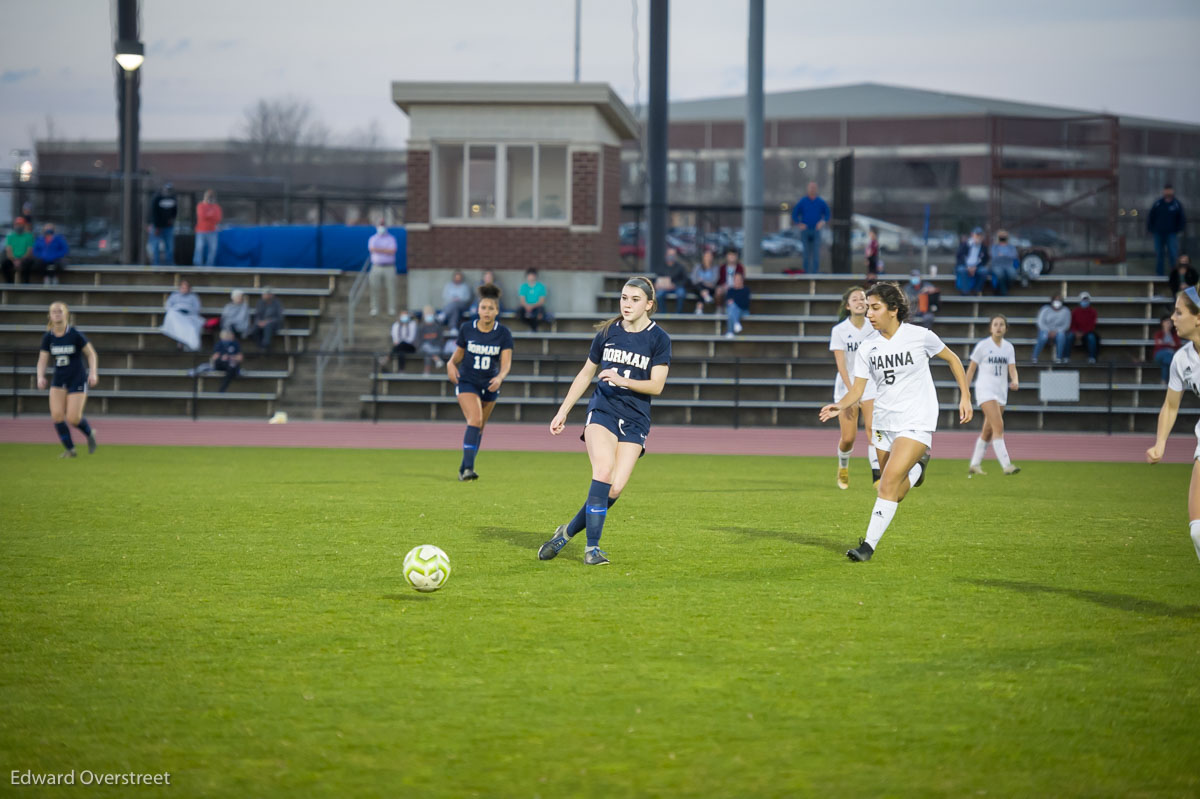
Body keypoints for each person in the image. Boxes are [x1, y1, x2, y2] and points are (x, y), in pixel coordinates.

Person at [819, 282, 973, 562]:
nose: (870, 315)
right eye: (868, 310)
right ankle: (917, 470)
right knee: (894, 491)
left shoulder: (920, 336)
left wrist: (965, 396)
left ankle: (867, 547)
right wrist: (838, 405)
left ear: (893, 309)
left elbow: (952, 360)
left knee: (887, 482)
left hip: (915, 420)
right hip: (883, 423)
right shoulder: (868, 347)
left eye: (875, 308)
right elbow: (858, 390)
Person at [538, 276, 671, 566]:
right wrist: (563, 410)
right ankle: (592, 548)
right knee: (604, 470)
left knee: (615, 488)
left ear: (649, 304)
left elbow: (657, 386)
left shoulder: (659, 338)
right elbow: (586, 373)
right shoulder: (609, 331)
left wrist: (622, 378)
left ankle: (567, 532)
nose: (627, 304)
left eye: (635, 299)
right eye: (624, 298)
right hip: (603, 410)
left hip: (636, 418)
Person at [1146, 285, 1200, 562]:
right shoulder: (1182, 359)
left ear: (1198, 317)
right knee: (1197, 532)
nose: (1173, 318)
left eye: (1179, 312)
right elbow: (1170, 405)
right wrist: (1160, 443)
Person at [446, 284, 514, 482]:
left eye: (491, 308)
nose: (487, 311)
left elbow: (506, 363)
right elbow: (456, 356)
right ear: (478, 309)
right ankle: (468, 469)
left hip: (490, 384)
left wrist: (500, 378)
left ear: (497, 311)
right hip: (468, 381)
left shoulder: (503, 333)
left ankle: (463, 468)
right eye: (483, 307)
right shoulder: (467, 329)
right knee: (474, 420)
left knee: (479, 427)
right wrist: (450, 365)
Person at [829, 286, 881, 489]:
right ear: (848, 305)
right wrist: (853, 392)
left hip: (870, 384)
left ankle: (877, 476)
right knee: (848, 438)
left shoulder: (875, 327)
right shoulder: (839, 331)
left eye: (863, 298)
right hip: (847, 385)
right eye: (855, 299)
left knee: (872, 429)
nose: (860, 301)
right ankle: (843, 464)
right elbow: (841, 365)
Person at [35, 302, 99, 458]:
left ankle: (90, 433)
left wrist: (93, 373)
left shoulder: (74, 334)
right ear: (49, 316)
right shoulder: (48, 337)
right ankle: (70, 450)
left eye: (60, 311)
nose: (57, 313)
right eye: (54, 311)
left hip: (77, 378)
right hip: (59, 379)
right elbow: (42, 360)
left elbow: (91, 354)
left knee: (73, 418)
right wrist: (40, 376)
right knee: (57, 416)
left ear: (66, 314)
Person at [965, 315, 1021, 477]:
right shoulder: (983, 346)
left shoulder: (1009, 347)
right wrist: (965, 390)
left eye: (1001, 324)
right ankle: (1006, 465)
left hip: (1001, 392)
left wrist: (1015, 380)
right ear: (990, 328)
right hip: (985, 391)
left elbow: (1012, 368)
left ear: (1006, 328)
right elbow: (971, 369)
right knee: (998, 426)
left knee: (987, 431)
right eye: (995, 324)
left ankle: (975, 464)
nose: (998, 327)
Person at [1147, 184, 1186, 277]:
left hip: (1171, 233)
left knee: (1173, 254)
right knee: (1159, 254)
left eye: (1169, 190)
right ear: (1164, 191)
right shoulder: (1158, 203)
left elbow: (1181, 218)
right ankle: (1159, 275)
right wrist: (1151, 229)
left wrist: (1179, 229)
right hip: (1158, 233)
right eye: (1166, 190)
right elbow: (1151, 216)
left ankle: (1175, 275)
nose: (1168, 192)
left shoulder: (1176, 204)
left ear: (1172, 191)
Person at [791, 181, 830, 274]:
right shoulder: (803, 201)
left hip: (816, 230)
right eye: (810, 187)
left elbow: (827, 214)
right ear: (807, 189)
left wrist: (822, 222)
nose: (812, 189)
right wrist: (800, 223)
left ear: (816, 189)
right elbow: (794, 214)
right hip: (805, 230)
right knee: (806, 253)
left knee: (816, 253)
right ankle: (806, 273)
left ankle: (815, 273)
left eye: (814, 188)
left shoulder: (820, 202)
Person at [190, 328, 243, 392]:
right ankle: (224, 387)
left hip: (231, 365)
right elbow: (215, 357)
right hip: (221, 364)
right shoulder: (219, 344)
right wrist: (222, 357)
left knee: (232, 366)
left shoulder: (235, 344)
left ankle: (222, 389)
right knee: (232, 367)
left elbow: (240, 358)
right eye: (227, 335)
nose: (230, 336)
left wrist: (229, 357)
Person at [162, 280, 203, 352]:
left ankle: (189, 345)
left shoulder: (193, 297)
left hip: (189, 316)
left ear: (189, 289)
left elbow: (197, 309)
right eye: (183, 288)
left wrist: (188, 312)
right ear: (180, 288)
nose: (184, 289)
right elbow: (168, 306)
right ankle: (180, 343)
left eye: (186, 288)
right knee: (173, 317)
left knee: (191, 327)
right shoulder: (174, 295)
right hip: (177, 315)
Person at [367, 222, 398, 317]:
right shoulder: (373, 238)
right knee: (374, 287)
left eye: (383, 226)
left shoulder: (391, 238)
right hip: (376, 266)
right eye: (380, 226)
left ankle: (391, 308)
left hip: (389, 266)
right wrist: (385, 250)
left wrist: (379, 249)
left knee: (391, 288)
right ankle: (375, 308)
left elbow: (392, 250)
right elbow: (372, 249)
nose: (381, 228)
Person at [653, 247, 694, 314]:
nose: (671, 256)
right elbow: (656, 279)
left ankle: (678, 314)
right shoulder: (661, 266)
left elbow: (685, 280)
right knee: (659, 294)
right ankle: (663, 314)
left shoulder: (680, 267)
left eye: (673, 255)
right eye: (670, 254)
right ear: (666, 255)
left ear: (675, 256)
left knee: (681, 293)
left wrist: (675, 285)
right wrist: (657, 284)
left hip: (677, 287)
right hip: (664, 288)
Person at [1032, 294, 1071, 363]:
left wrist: (1056, 332)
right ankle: (1034, 357)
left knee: (1061, 336)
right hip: (1045, 330)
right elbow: (1040, 322)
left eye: (1059, 300)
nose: (1057, 302)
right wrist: (1048, 331)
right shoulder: (1045, 309)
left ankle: (1059, 358)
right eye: (1056, 300)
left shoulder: (1066, 311)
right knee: (1043, 336)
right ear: (1052, 301)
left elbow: (1066, 325)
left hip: (1058, 332)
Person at [147, 183, 179, 265]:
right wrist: (157, 226)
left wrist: (172, 219)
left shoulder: (173, 199)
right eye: (166, 189)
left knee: (170, 247)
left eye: (169, 190)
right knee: (155, 247)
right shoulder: (157, 198)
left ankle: (170, 264)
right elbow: (154, 213)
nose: (168, 191)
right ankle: (155, 265)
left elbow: (175, 211)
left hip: (168, 227)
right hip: (157, 227)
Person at [954, 227, 990, 295]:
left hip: (977, 267)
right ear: (972, 235)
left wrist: (975, 267)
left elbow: (985, 260)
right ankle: (965, 292)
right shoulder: (965, 244)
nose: (978, 237)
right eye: (976, 235)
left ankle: (976, 291)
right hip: (964, 265)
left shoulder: (983, 247)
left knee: (983, 271)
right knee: (962, 270)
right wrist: (968, 267)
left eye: (980, 235)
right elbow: (959, 257)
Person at [192, 189, 222, 266]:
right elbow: (202, 216)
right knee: (199, 248)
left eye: (211, 197)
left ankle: (209, 266)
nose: (209, 198)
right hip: (201, 230)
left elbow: (218, 218)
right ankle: (198, 265)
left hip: (212, 231)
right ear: (205, 197)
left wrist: (209, 214)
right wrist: (211, 214)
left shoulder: (216, 207)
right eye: (208, 197)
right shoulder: (200, 205)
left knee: (213, 249)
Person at [1069, 291, 1100, 363]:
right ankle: (1066, 357)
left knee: (1091, 337)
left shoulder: (1093, 312)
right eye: (1083, 300)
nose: (1085, 301)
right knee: (1069, 336)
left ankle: (1092, 357)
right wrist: (1076, 332)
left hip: (1087, 332)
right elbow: (1072, 323)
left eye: (1086, 300)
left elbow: (1092, 325)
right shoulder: (1075, 311)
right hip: (1076, 332)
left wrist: (1083, 333)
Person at [2, 217, 35, 283]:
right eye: (17, 224)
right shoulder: (10, 236)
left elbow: (29, 251)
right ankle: (9, 284)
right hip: (13, 259)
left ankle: (26, 285)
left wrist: (20, 260)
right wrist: (14, 260)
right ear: (14, 225)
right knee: (5, 264)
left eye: (21, 224)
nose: (19, 226)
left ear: (24, 225)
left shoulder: (29, 236)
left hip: (25, 259)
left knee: (28, 264)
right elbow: (8, 251)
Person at [251, 288, 284, 352]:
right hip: (262, 323)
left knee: (268, 326)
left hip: (274, 324)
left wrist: (268, 321)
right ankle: (260, 346)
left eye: (267, 294)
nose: (265, 296)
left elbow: (279, 318)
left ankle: (266, 345)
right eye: (264, 294)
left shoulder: (277, 304)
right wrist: (259, 322)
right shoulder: (260, 303)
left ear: (271, 295)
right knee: (254, 328)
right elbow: (257, 315)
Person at [988, 230, 1020, 296]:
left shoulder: (1011, 247)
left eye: (1004, 236)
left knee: (1012, 275)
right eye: (1001, 236)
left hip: (1009, 265)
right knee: (1000, 274)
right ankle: (1004, 292)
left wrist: (1002, 255)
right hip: (997, 265)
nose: (1002, 237)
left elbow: (1014, 256)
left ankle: (1003, 290)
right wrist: (1006, 255)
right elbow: (994, 256)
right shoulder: (995, 247)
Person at [1153, 314, 1182, 385]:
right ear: (1162, 323)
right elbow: (1158, 346)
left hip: (1170, 355)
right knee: (1169, 358)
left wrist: (1165, 343)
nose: (1169, 324)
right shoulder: (1158, 334)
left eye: (1170, 323)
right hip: (1160, 354)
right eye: (1167, 322)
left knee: (1165, 363)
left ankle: (1163, 381)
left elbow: (1178, 345)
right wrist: (1170, 344)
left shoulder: (1174, 335)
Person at [417, 305, 445, 373]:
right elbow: (419, 341)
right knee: (426, 347)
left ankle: (427, 371)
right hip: (424, 348)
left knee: (428, 354)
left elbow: (440, 340)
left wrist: (434, 346)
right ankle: (437, 359)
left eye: (430, 314)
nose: (429, 316)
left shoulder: (438, 327)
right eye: (427, 314)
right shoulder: (421, 327)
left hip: (436, 348)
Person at [689, 248, 718, 313]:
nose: (708, 258)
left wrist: (702, 281)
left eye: (710, 256)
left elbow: (714, 281)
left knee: (702, 288)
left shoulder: (715, 268)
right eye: (706, 256)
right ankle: (705, 296)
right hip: (698, 288)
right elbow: (693, 279)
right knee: (699, 287)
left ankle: (699, 308)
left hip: (710, 288)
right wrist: (702, 282)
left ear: (712, 258)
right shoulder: (697, 267)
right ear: (703, 257)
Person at [724, 271, 751, 337]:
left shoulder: (746, 290)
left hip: (743, 311)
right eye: (735, 279)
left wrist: (734, 301)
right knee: (731, 308)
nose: (737, 281)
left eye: (739, 279)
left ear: (742, 280)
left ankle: (730, 331)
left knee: (732, 308)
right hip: (732, 310)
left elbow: (745, 304)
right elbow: (727, 301)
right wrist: (735, 302)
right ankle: (736, 323)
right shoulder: (730, 290)